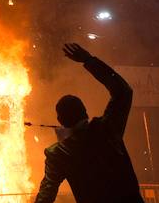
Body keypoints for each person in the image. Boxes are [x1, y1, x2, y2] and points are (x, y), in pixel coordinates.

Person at [34, 43, 144, 203]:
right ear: (85, 113)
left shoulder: (58, 154)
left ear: (60, 121)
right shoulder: (107, 129)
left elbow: (46, 195)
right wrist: (88, 60)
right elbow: (123, 91)